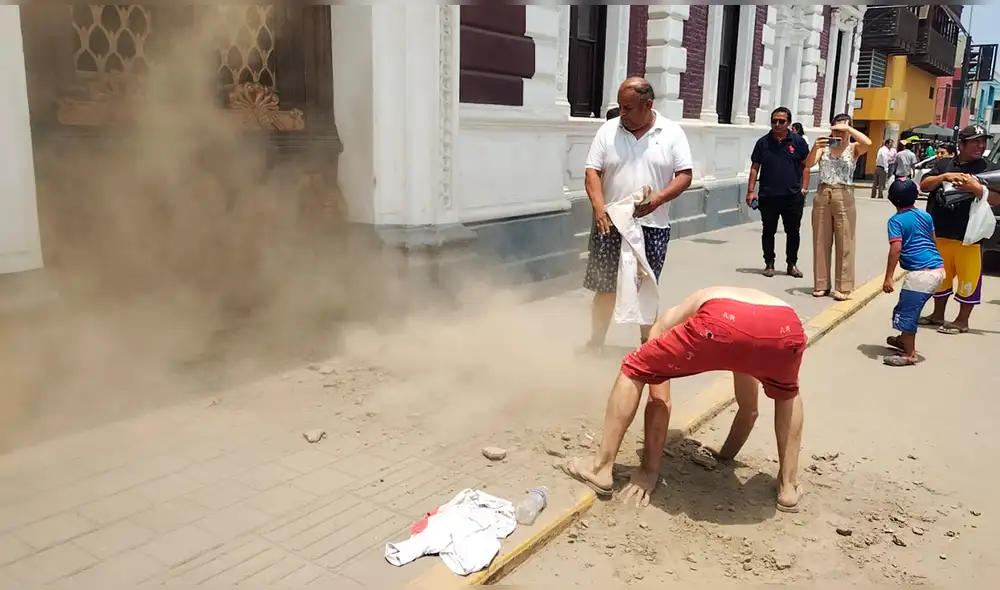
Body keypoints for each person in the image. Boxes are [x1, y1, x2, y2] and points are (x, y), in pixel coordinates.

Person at [557, 286, 807, 512]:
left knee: (635, 366)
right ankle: (788, 488)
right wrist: (725, 456)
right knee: (787, 392)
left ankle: (600, 468)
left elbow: (659, 401)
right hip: (785, 327)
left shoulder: (669, 320)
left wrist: (649, 471)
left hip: (720, 319)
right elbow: (749, 410)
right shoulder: (742, 327)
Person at [580, 78, 694, 353]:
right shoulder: (609, 131)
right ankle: (596, 342)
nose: (623, 114)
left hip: (651, 228)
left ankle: (647, 349)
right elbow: (592, 172)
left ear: (648, 104)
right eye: (620, 107)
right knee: (604, 287)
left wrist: (659, 199)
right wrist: (599, 209)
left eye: (629, 108)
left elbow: (685, 176)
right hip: (609, 225)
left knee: (646, 288)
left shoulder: (671, 133)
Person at [919, 124, 1000, 334]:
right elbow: (924, 184)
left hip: (970, 237)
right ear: (961, 144)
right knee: (941, 279)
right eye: (974, 141)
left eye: (983, 142)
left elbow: (997, 199)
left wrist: (976, 189)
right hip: (941, 233)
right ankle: (937, 315)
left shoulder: (989, 168)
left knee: (969, 279)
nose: (980, 146)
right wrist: (944, 177)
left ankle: (962, 321)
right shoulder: (944, 164)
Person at [805, 113, 872, 300]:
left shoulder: (853, 148)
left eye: (842, 130)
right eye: (836, 129)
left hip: (844, 192)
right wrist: (815, 147)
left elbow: (868, 143)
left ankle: (843, 286)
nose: (839, 133)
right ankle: (821, 283)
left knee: (845, 241)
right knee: (820, 240)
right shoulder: (824, 148)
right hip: (823, 192)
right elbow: (809, 164)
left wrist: (848, 129)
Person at [881, 180, 946, 367]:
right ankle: (902, 339)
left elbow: (896, 249)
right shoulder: (925, 216)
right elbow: (932, 239)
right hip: (937, 269)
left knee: (906, 313)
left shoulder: (896, 221)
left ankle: (909, 354)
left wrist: (888, 278)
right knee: (907, 306)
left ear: (892, 199)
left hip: (921, 274)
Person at [747, 107, 811, 278]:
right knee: (768, 231)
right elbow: (755, 168)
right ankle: (769, 263)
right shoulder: (763, 143)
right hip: (768, 196)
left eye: (781, 121)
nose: (777, 124)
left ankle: (792, 264)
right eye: (774, 121)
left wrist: (804, 188)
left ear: (788, 123)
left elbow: (806, 166)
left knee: (793, 232)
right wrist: (751, 191)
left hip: (792, 196)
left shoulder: (798, 142)